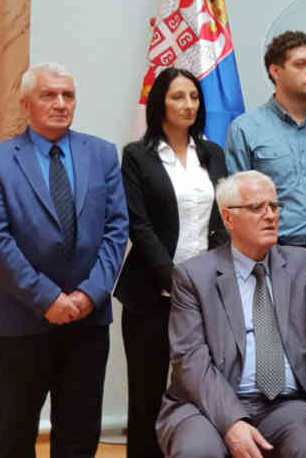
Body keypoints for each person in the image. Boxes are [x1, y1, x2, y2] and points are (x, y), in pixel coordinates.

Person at [155, 171, 306, 458]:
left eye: (275, 206)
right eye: (257, 207)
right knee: (197, 451)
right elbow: (191, 361)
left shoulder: (300, 264)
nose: (270, 215)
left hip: (285, 403)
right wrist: (232, 421)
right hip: (206, 403)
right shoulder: (194, 276)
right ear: (228, 218)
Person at [0, 62, 129, 458]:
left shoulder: (102, 154)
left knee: (79, 433)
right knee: (16, 433)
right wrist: (48, 299)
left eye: (68, 95)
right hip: (24, 319)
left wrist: (89, 294)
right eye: (49, 95)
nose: (61, 104)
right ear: (26, 104)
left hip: (88, 320)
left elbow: (116, 229)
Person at [116, 67, 229, 458]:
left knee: (205, 389)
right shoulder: (137, 156)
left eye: (194, 97)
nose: (188, 105)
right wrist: (175, 278)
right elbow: (139, 225)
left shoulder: (213, 154)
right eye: (178, 97)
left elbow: (225, 218)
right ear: (160, 103)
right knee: (146, 394)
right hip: (152, 293)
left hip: (209, 293)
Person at [225, 30, 306, 281]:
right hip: (267, 263)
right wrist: (267, 258)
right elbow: (238, 205)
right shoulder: (245, 129)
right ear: (275, 71)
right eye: (301, 64)